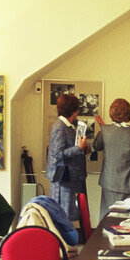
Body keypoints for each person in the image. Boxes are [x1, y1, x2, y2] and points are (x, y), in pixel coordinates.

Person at [92, 98, 130, 220]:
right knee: (126, 221)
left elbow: (96, 146)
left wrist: (103, 128)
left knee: (106, 219)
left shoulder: (105, 130)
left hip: (108, 183)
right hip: (129, 185)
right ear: (129, 115)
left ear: (111, 113)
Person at [45, 93, 89, 221]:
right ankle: (63, 241)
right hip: (63, 179)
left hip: (73, 177)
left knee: (72, 215)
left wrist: (83, 148)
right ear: (74, 111)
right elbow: (58, 155)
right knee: (63, 216)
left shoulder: (73, 125)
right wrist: (78, 148)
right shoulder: (59, 127)